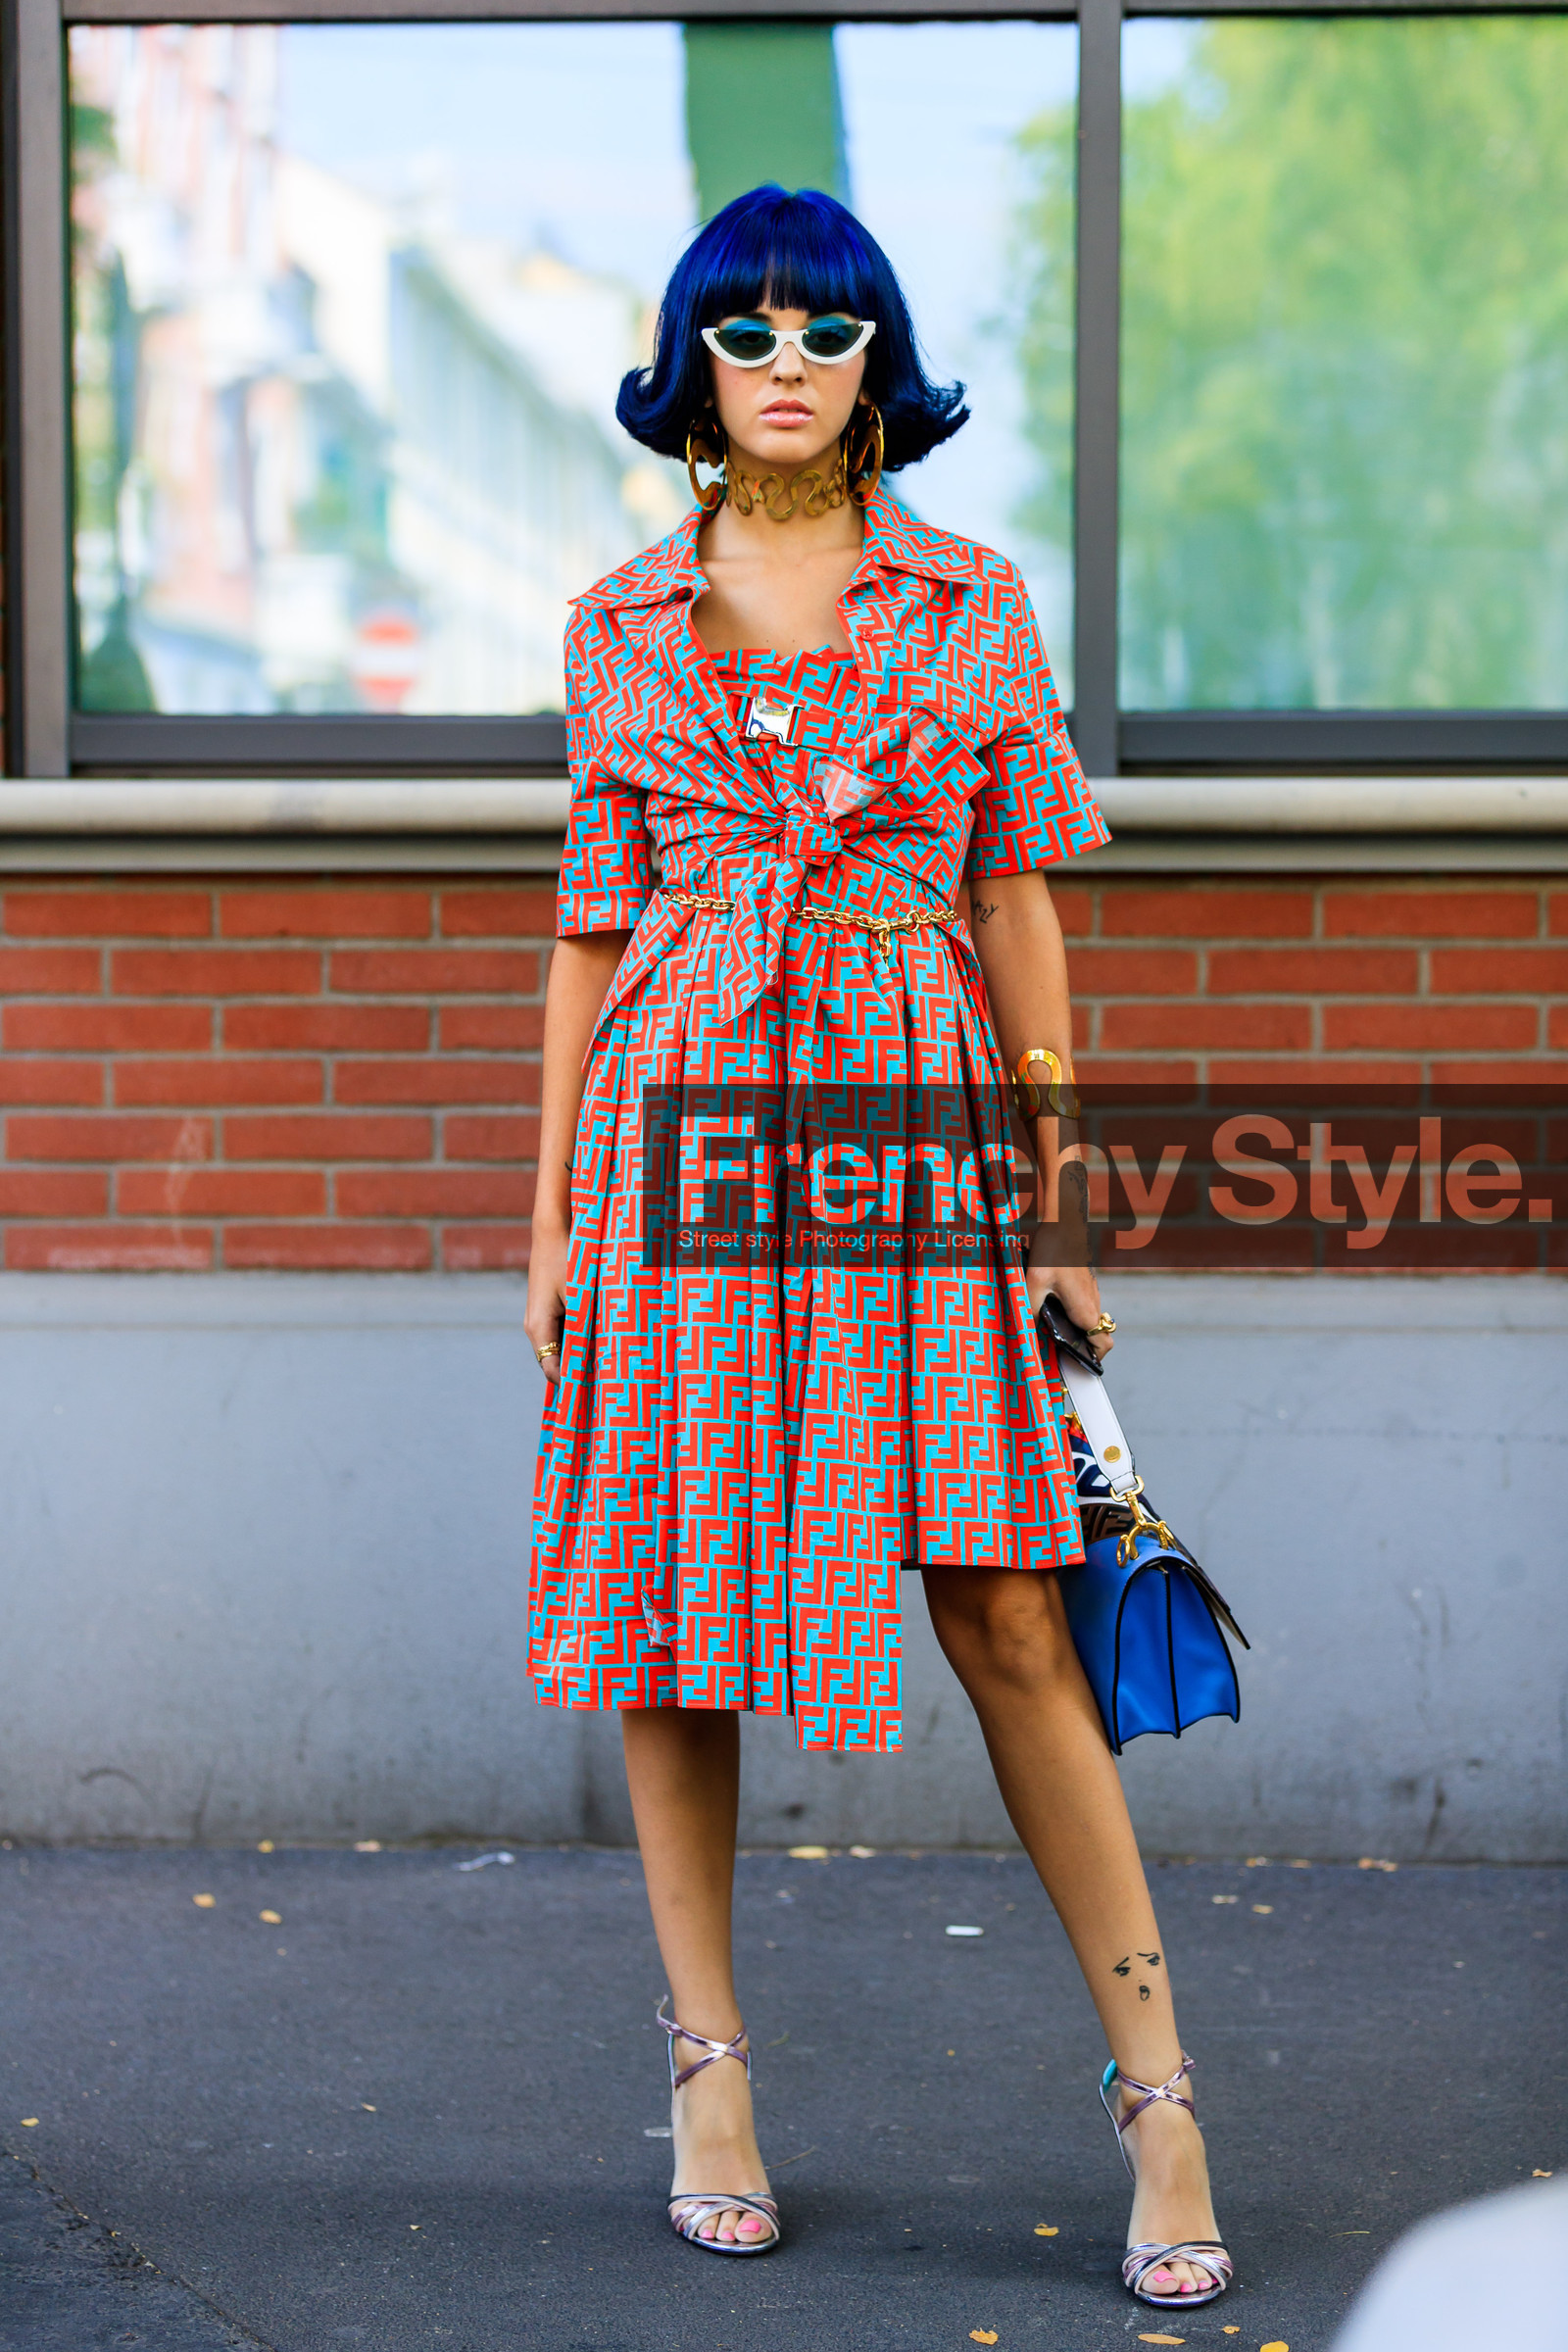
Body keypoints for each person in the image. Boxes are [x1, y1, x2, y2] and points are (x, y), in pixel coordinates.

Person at [524, 182, 1230, 2311]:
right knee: (675, 1620)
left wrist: (1066, 1190)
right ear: (690, 366)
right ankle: (706, 2071)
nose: (783, 360)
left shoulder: (973, 602)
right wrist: (544, 1214)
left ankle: (1158, 2090)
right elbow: (586, 931)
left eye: (823, 327)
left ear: (875, 360)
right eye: (740, 330)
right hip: (673, 1127)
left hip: (913, 1118)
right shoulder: (617, 620)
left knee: (1010, 1612)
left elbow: (1017, 898)